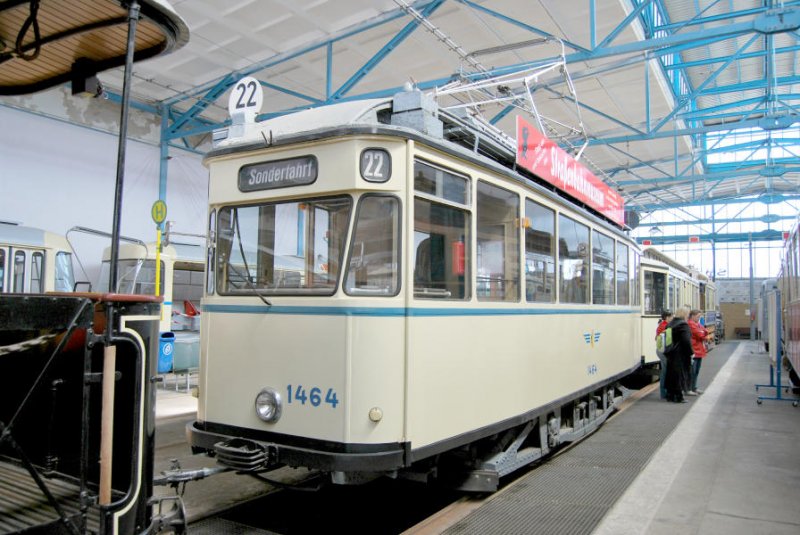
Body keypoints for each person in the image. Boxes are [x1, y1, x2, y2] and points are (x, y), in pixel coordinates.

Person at [663, 306, 693, 403]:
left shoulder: (670, 324)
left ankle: (670, 395)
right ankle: (679, 397)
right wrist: (690, 353)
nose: (689, 316)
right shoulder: (683, 325)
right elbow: (686, 341)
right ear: (685, 314)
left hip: (670, 352)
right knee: (680, 375)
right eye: (688, 314)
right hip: (680, 353)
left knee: (671, 374)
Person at [687, 309, 711, 395]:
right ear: (692, 316)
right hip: (694, 351)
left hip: (699, 350)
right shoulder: (691, 324)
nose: (699, 318)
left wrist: (703, 332)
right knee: (692, 371)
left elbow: (704, 332)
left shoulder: (697, 324)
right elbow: (701, 334)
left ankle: (694, 388)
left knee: (696, 371)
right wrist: (703, 332)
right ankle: (689, 389)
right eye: (698, 316)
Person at [655, 310, 673, 399]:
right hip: (664, 351)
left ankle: (664, 392)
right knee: (665, 372)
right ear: (667, 317)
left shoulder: (662, 325)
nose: (672, 318)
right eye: (671, 317)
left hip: (662, 350)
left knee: (665, 371)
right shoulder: (665, 326)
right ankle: (663, 393)